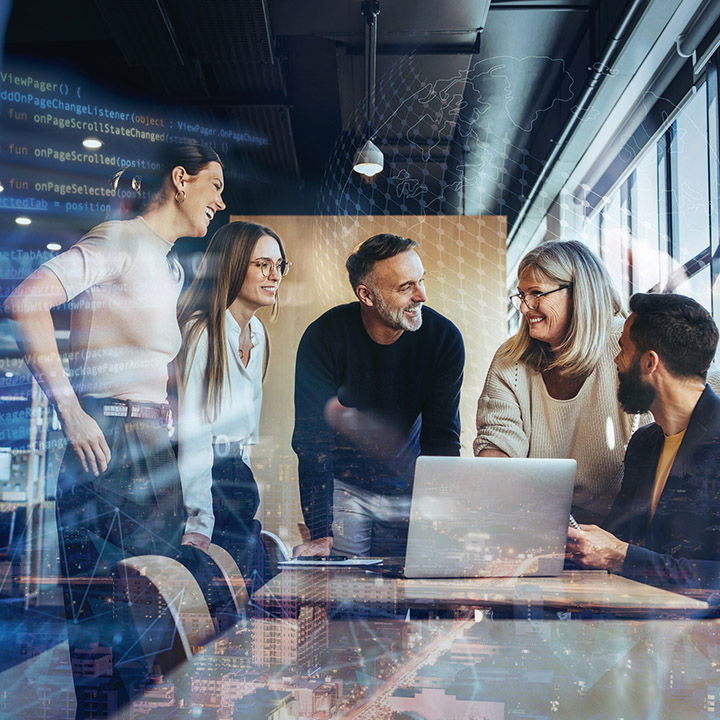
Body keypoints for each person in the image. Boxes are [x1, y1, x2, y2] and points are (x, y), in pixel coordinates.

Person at [4, 141, 225, 708]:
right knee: (106, 625)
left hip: (149, 444)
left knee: (153, 622)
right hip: (109, 442)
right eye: (214, 187)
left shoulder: (168, 263)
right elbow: (27, 301)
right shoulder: (119, 238)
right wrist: (71, 410)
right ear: (181, 179)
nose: (220, 202)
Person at [292, 233, 465, 557]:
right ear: (366, 295)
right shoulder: (323, 338)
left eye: (421, 281)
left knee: (404, 593)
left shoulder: (444, 340)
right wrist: (320, 531)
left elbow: (441, 438)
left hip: (410, 484)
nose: (422, 296)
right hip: (343, 488)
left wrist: (442, 521)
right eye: (406, 287)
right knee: (347, 596)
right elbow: (312, 441)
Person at [474, 240, 651, 524]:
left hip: (623, 529)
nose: (525, 307)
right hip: (537, 522)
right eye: (522, 295)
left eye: (536, 294)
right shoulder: (511, 360)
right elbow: (498, 445)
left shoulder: (627, 346)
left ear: (579, 294)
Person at [567, 292, 720, 589]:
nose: (616, 360)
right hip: (630, 620)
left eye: (623, 349)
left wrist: (621, 557)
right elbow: (620, 539)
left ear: (650, 363)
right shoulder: (644, 443)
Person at [176, 221, 289, 588]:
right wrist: (199, 522)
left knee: (256, 595)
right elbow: (194, 436)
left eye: (279, 264)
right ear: (233, 266)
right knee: (228, 599)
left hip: (237, 476)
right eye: (263, 264)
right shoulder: (201, 331)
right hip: (204, 478)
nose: (275, 275)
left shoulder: (257, 333)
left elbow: (248, 433)